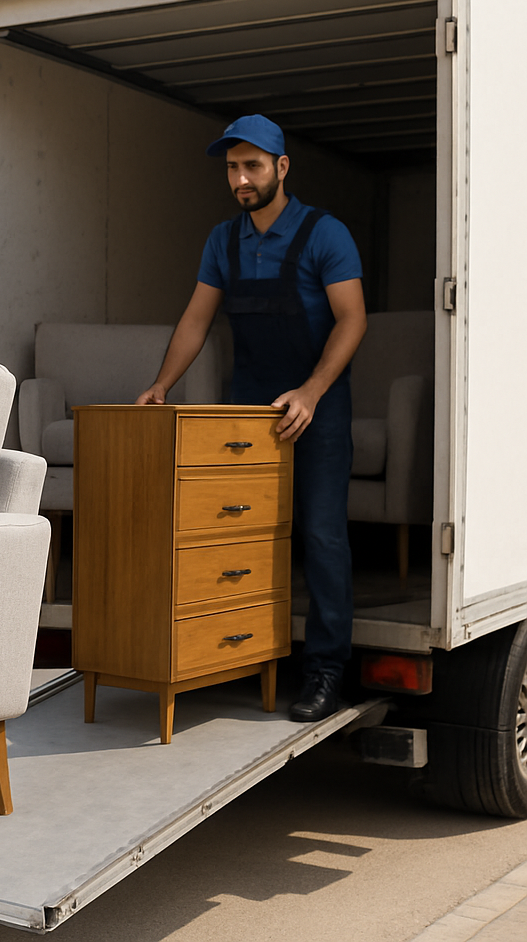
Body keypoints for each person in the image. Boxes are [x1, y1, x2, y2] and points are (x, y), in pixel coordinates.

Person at [136, 114, 367, 722]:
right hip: (248, 412)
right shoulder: (222, 241)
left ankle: (325, 669)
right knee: (239, 532)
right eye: (233, 168)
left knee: (319, 535)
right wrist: (163, 384)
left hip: (316, 405)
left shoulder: (325, 233)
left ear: (281, 167)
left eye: (253, 166)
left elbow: (353, 320)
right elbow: (196, 319)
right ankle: (239, 653)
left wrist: (313, 391)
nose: (241, 178)